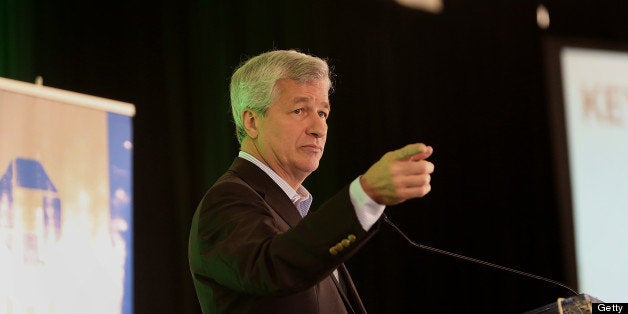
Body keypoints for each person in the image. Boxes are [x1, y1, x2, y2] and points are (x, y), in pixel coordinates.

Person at [188, 49, 434, 314]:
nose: (318, 128)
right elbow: (276, 267)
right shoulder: (228, 199)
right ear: (251, 121)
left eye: (323, 113)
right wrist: (365, 195)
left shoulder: (294, 214)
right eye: (299, 110)